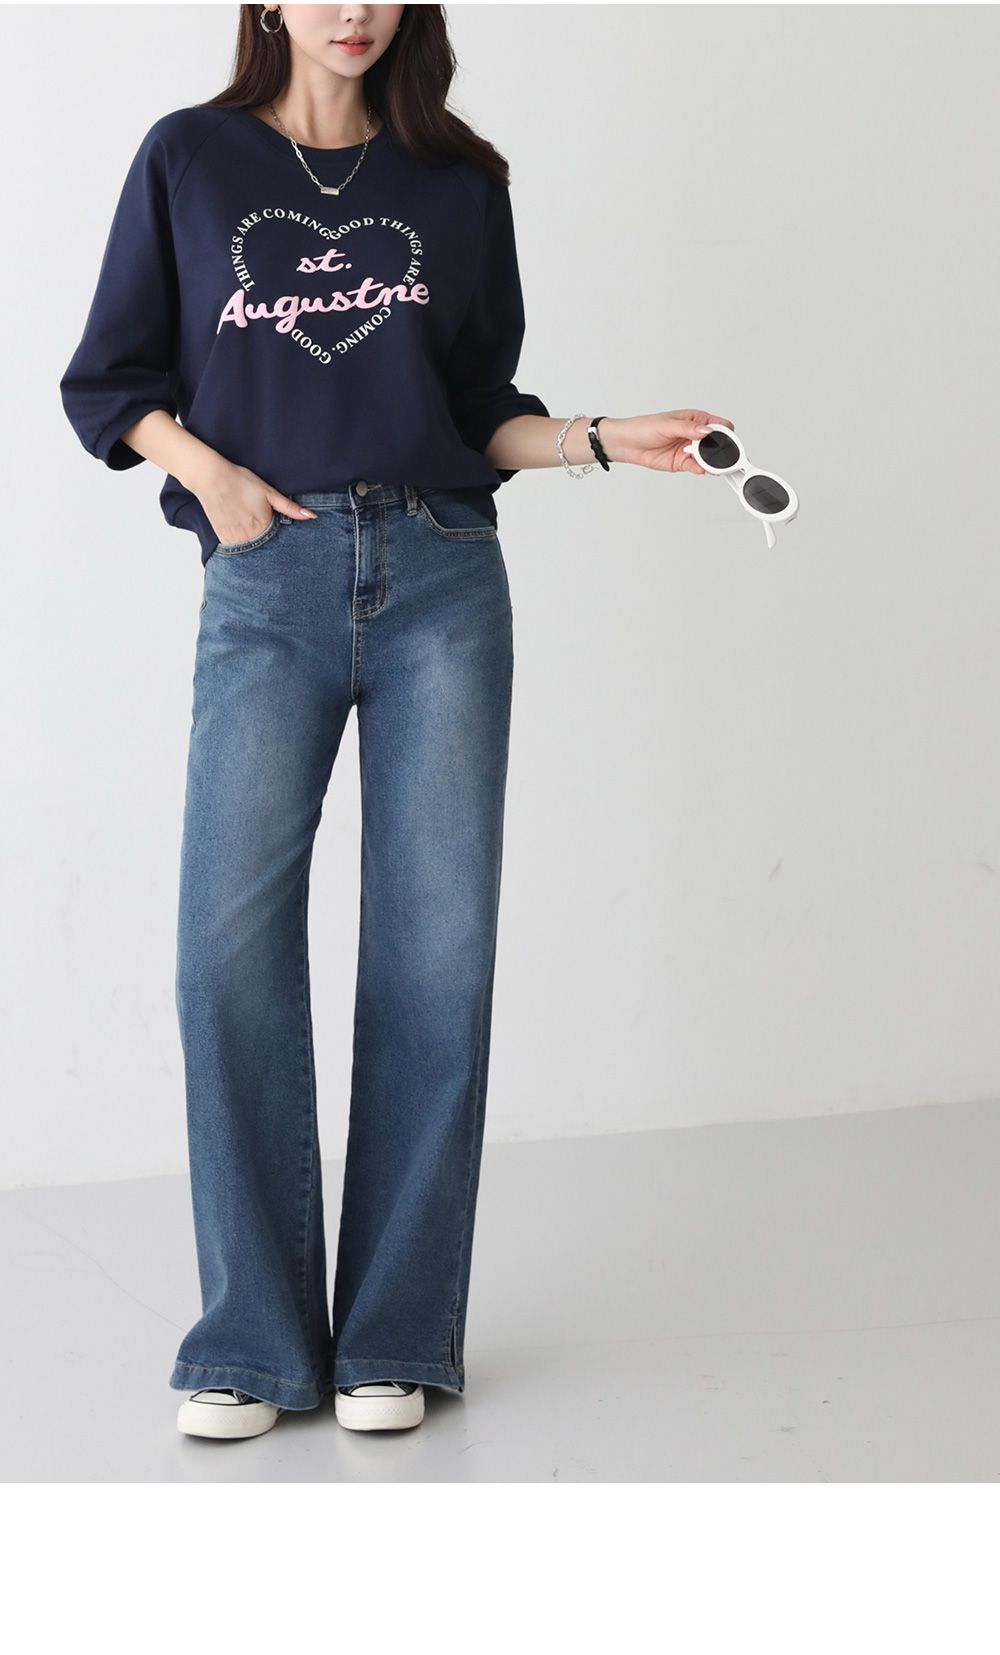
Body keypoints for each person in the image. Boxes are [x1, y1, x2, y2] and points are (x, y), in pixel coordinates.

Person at [60, 2, 732, 1442]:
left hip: (442, 580)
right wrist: (215, 482)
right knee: (227, 954)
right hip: (266, 579)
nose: (351, 9)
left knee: (436, 955)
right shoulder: (190, 159)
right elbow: (112, 381)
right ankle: (251, 1341)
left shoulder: (458, 180)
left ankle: (397, 1335)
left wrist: (604, 440)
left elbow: (478, 408)